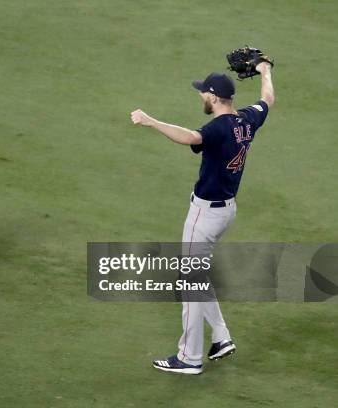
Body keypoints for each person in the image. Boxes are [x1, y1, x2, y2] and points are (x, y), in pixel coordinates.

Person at [130, 62, 275, 374]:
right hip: (227, 211)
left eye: (203, 93)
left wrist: (149, 121)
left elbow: (189, 138)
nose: (200, 97)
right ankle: (221, 337)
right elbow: (268, 101)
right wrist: (265, 71)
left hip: (205, 215)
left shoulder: (217, 129)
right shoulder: (247, 120)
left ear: (214, 96)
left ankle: (189, 358)